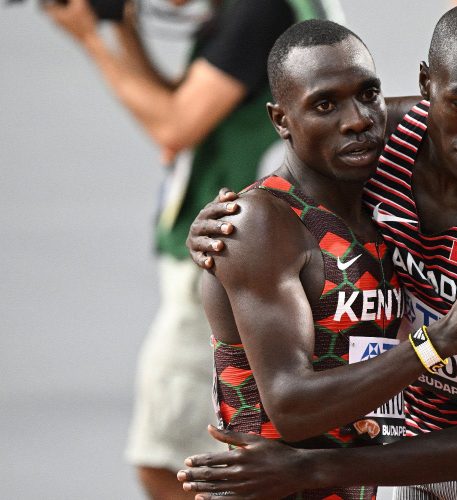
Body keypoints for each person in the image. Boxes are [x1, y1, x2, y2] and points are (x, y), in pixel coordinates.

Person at [180, 3, 457, 498]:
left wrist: (315, 469)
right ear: (428, 87)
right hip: (413, 450)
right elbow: (296, 178)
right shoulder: (382, 141)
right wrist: (226, 223)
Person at [44, 0, 340, 497]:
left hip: (228, 261)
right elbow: (177, 110)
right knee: (238, 459)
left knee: (172, 464)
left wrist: (90, 40)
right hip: (250, 252)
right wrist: (121, 26)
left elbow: (172, 126)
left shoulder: (258, 11)